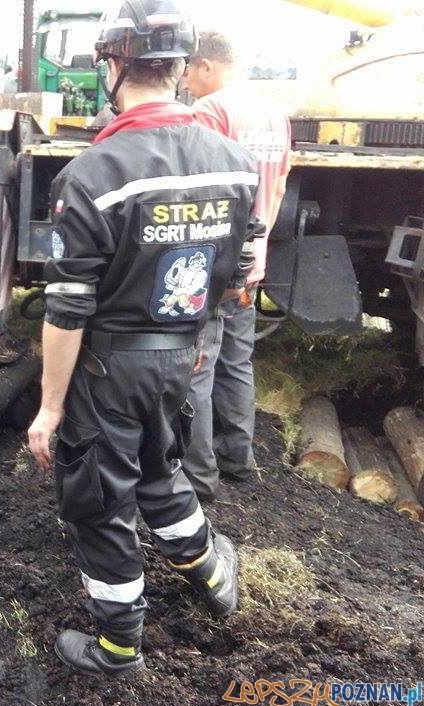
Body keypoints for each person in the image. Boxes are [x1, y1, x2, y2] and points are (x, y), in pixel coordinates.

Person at [27, 0, 262, 676]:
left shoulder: (92, 176)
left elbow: (68, 309)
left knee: (99, 502)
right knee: (160, 470)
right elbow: (242, 270)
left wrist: (49, 408)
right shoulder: (236, 163)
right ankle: (214, 577)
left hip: (111, 367)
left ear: (113, 63)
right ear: (182, 68)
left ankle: (117, 647)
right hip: (184, 355)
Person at [180, 30, 293, 501]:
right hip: (251, 262)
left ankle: (198, 477)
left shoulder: (209, 112)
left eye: (187, 69)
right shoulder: (272, 112)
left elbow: (200, 193)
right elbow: (281, 184)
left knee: (197, 367)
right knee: (237, 361)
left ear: (206, 66)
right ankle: (237, 458)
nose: (183, 81)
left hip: (214, 267)